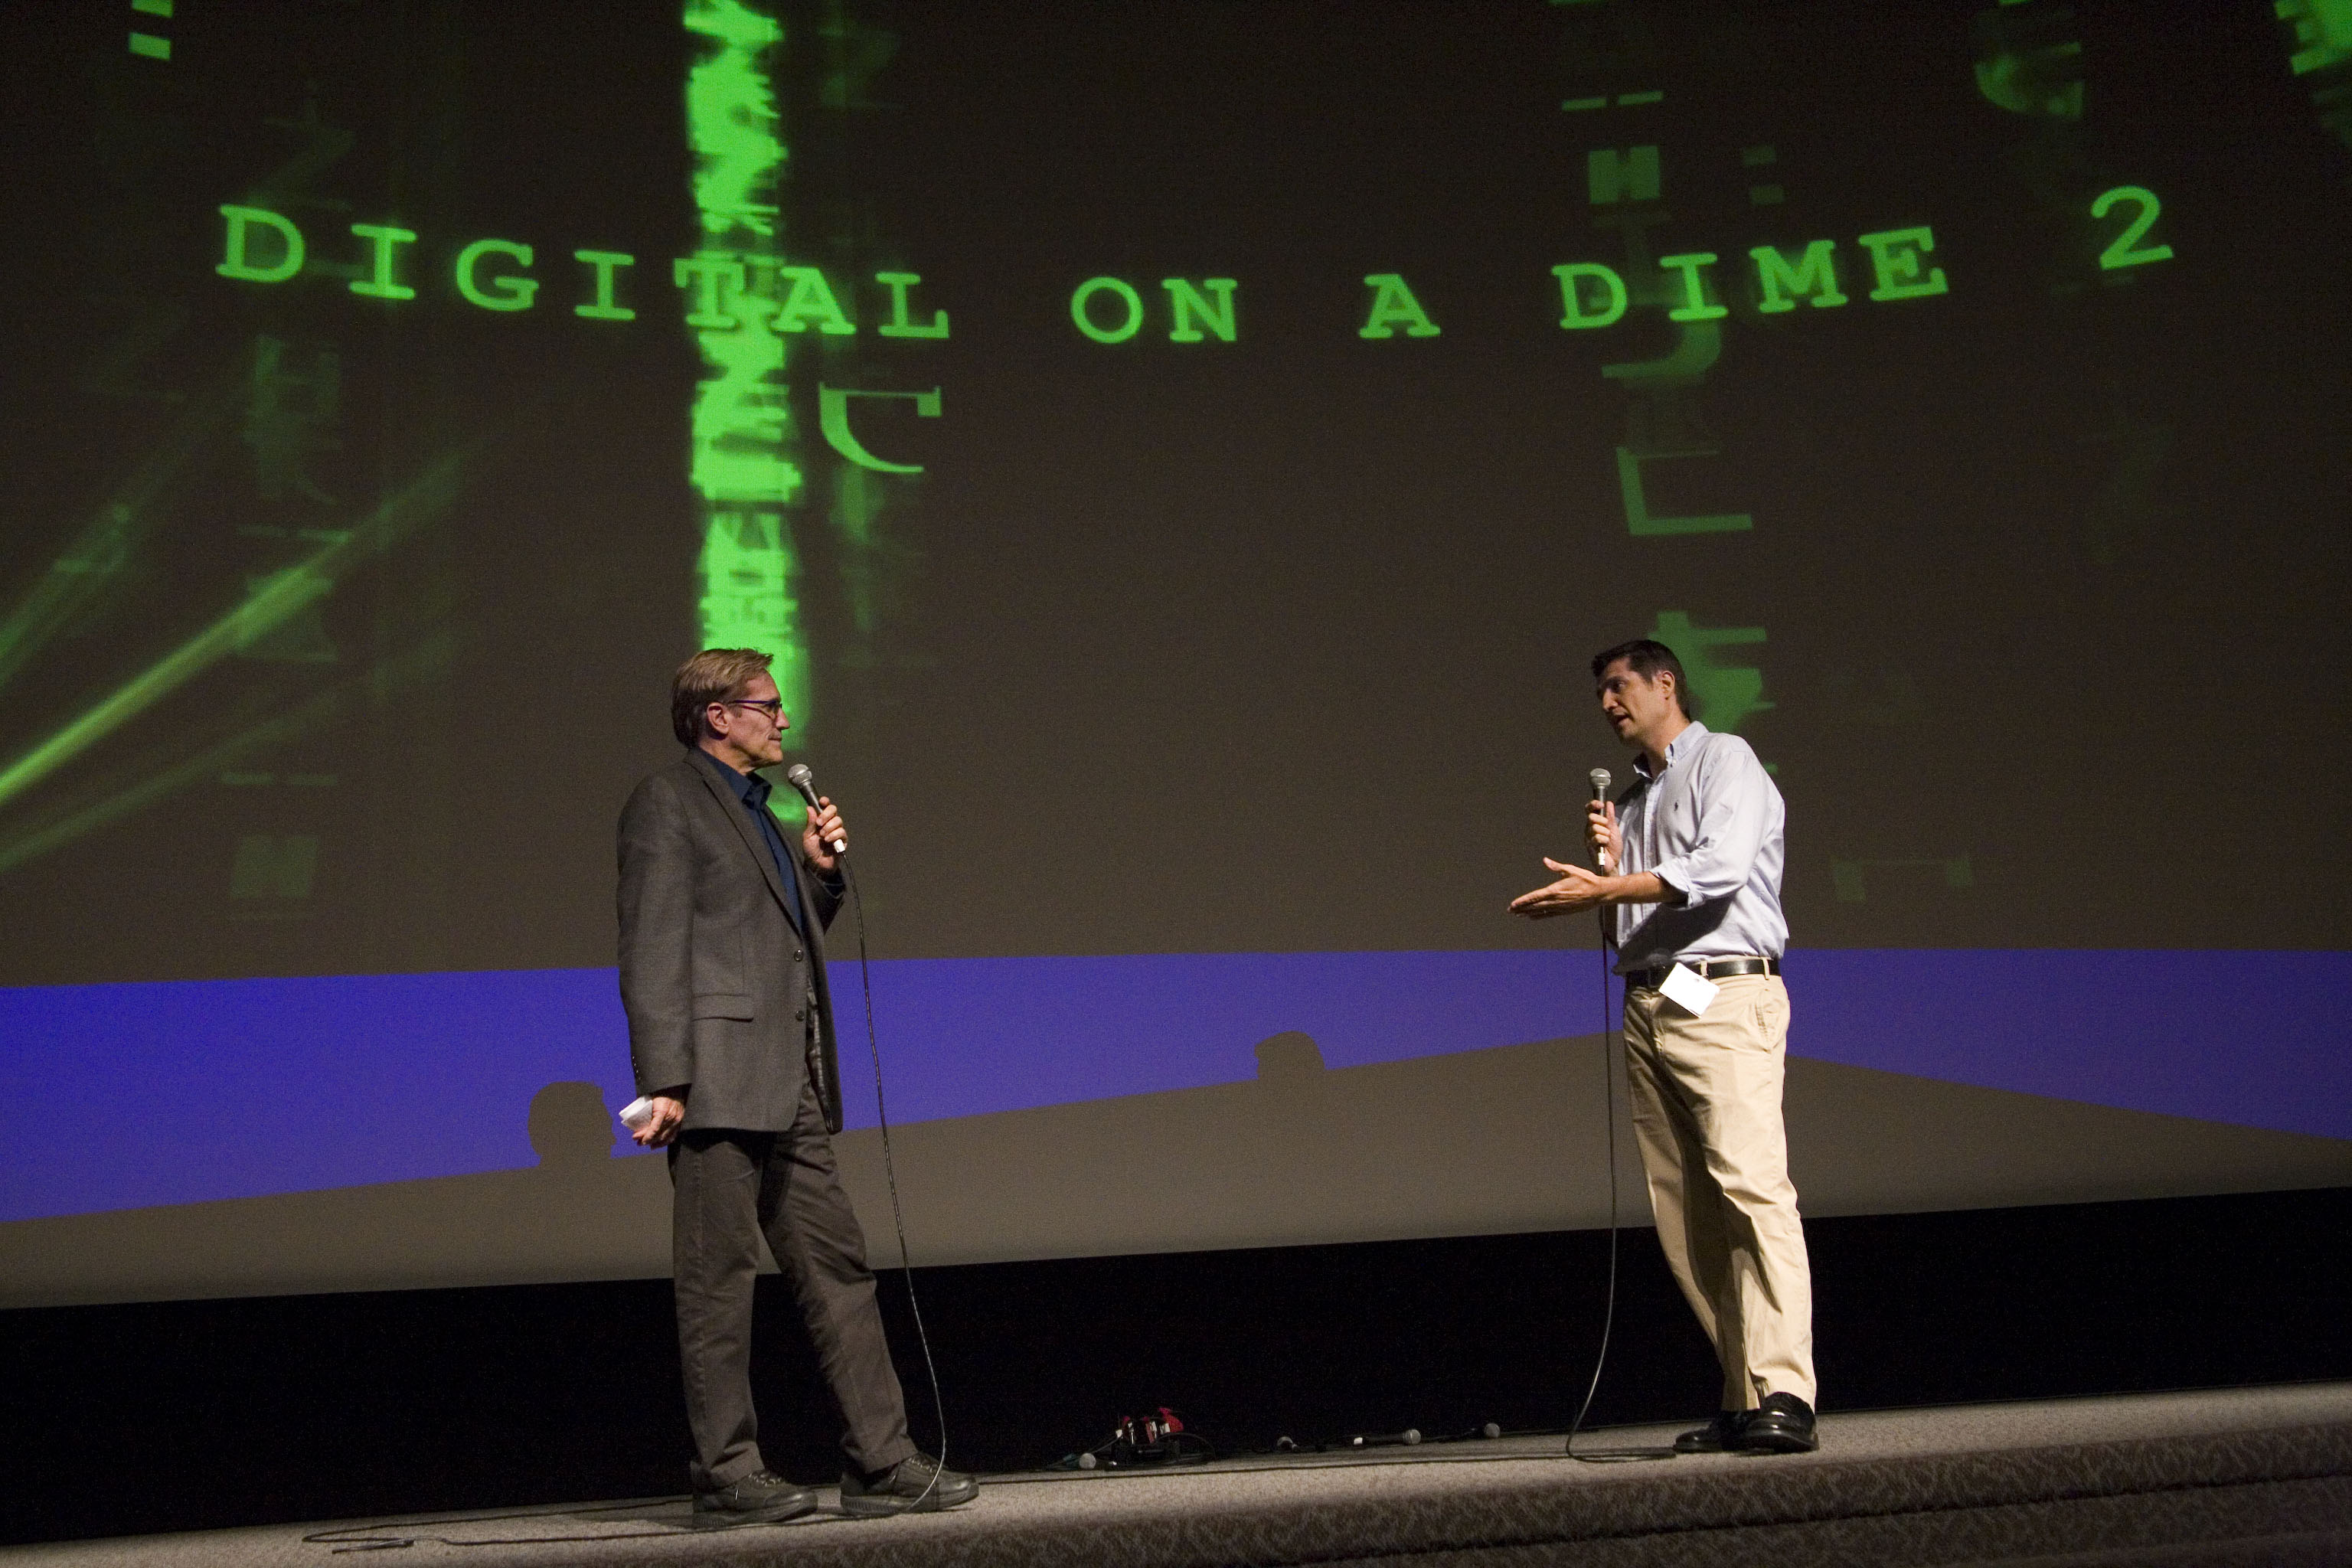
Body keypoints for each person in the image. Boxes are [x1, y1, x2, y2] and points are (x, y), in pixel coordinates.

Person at [616, 648, 978, 1521]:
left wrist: (817, 871)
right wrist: (667, 1078)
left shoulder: (768, 815)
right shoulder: (668, 802)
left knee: (839, 1269)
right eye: (767, 706)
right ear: (717, 716)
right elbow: (653, 946)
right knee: (719, 1281)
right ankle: (727, 1470)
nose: (783, 720)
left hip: (792, 1082)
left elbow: (776, 945)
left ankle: (880, 1460)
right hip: (716, 1083)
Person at [1509, 638, 1818, 1455]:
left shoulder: (1727, 758)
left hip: (1723, 991)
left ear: (1665, 682)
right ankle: (1743, 1391)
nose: (1609, 703)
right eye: (1600, 693)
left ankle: (1787, 1387)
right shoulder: (1638, 804)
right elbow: (1635, 920)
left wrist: (1611, 885)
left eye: (1619, 685)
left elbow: (1719, 869)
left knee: (1752, 1188)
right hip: (1652, 1000)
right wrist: (1611, 877)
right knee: (1688, 1212)